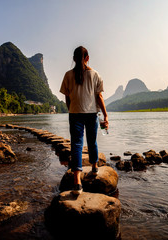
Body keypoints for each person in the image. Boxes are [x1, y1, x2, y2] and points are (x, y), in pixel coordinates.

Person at [60, 46, 109, 195]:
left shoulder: (68, 75)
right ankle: (94, 168)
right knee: (92, 141)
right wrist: (106, 116)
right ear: (87, 58)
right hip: (91, 114)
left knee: (76, 145)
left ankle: (77, 182)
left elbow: (67, 97)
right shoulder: (95, 74)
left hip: (75, 114)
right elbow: (99, 97)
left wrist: (71, 109)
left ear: (74, 59)